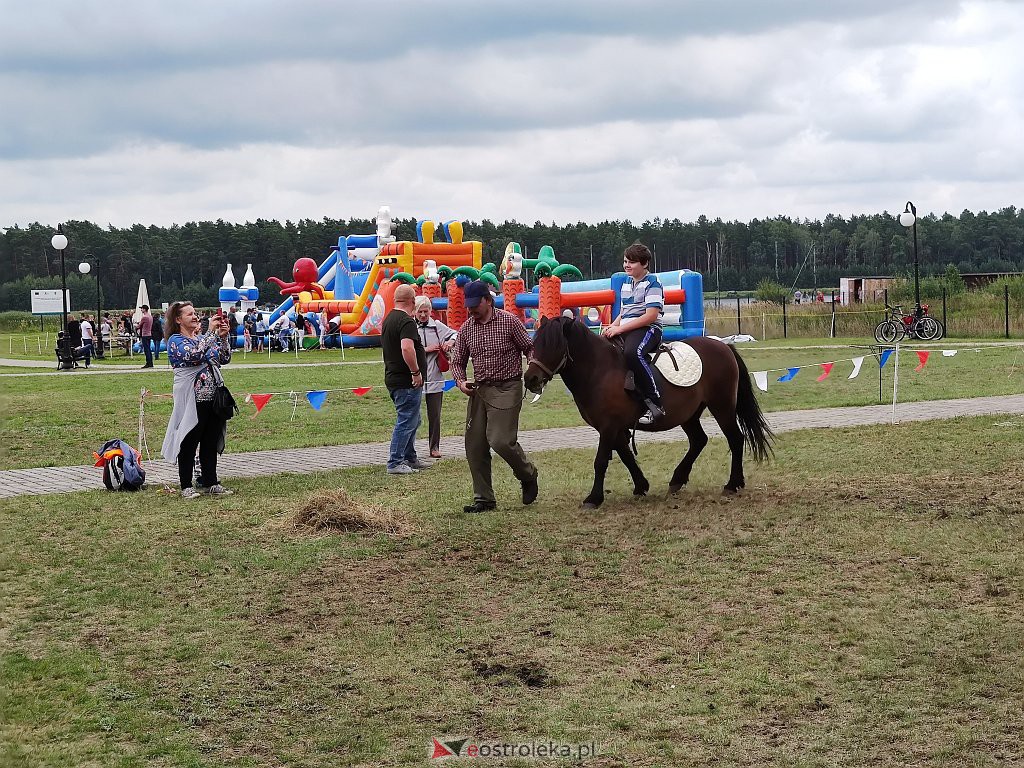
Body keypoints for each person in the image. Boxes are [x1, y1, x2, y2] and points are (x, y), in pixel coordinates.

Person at [450, 280, 539, 513]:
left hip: (508, 387)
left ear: (488, 301)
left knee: (500, 440)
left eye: (475, 304)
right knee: (475, 444)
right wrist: (460, 381)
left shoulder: (509, 321)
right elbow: (457, 361)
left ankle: (528, 474)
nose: (471, 310)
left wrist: (532, 363)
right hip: (480, 389)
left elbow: (529, 347)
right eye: (467, 305)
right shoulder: (467, 328)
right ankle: (484, 499)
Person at [161, 300, 233, 499]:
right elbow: (195, 356)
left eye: (195, 313)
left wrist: (224, 338)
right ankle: (186, 486)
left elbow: (223, 358)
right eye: (189, 314)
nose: (195, 316)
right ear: (178, 319)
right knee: (189, 440)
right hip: (192, 398)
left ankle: (210, 481)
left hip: (213, 398)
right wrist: (211, 333)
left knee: (210, 441)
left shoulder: (201, 338)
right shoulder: (176, 341)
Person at [602, 243, 665, 426]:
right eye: (625, 261)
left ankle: (655, 403)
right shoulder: (626, 284)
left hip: (649, 329)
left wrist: (620, 329)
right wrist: (611, 326)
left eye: (632, 262)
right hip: (628, 328)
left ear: (644, 264)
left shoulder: (653, 282)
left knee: (632, 353)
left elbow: (650, 315)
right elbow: (625, 312)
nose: (627, 265)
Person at [381, 284, 430, 475]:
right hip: (405, 380)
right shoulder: (406, 321)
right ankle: (395, 461)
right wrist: (416, 372)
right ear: (413, 300)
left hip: (393, 377)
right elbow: (407, 348)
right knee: (406, 420)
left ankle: (410, 457)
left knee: (413, 419)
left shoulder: (389, 319)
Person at [415, 294, 457, 458]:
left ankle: (434, 447)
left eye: (426, 311)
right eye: (420, 312)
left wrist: (449, 342)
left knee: (435, 416)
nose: (423, 315)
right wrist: (426, 349)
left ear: (430, 311)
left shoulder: (437, 326)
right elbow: (407, 348)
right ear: (415, 312)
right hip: (416, 378)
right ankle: (409, 449)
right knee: (413, 417)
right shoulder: (410, 326)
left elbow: (455, 334)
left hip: (435, 377)